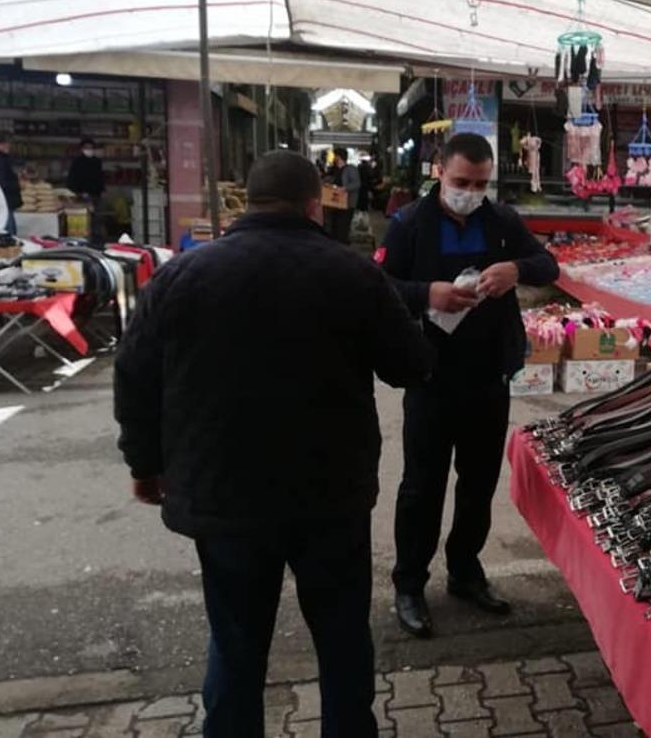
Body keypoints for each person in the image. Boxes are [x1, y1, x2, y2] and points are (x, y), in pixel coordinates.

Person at [114, 151, 433, 738]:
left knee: (235, 644)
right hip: (329, 498)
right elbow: (409, 366)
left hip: (223, 498)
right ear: (315, 203)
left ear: (249, 202)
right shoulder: (354, 274)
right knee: (341, 639)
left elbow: (134, 376)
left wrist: (145, 464)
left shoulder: (181, 275)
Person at [380, 132, 560, 639]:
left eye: (480, 183)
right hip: (431, 376)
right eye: (461, 181)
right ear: (439, 170)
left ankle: (466, 571)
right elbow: (379, 287)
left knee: (478, 483)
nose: (470, 191)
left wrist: (516, 269)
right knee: (422, 486)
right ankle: (410, 584)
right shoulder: (410, 224)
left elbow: (548, 265)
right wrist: (425, 293)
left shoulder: (501, 221)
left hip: (488, 376)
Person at [67, 138, 107, 243]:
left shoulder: (97, 161)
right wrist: (78, 192)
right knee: (84, 217)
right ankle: (84, 238)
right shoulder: (77, 162)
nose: (89, 150)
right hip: (81, 195)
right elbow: (72, 178)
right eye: (86, 148)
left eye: (91, 148)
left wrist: (102, 190)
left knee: (97, 218)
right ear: (81, 149)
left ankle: (98, 240)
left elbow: (101, 178)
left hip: (96, 194)